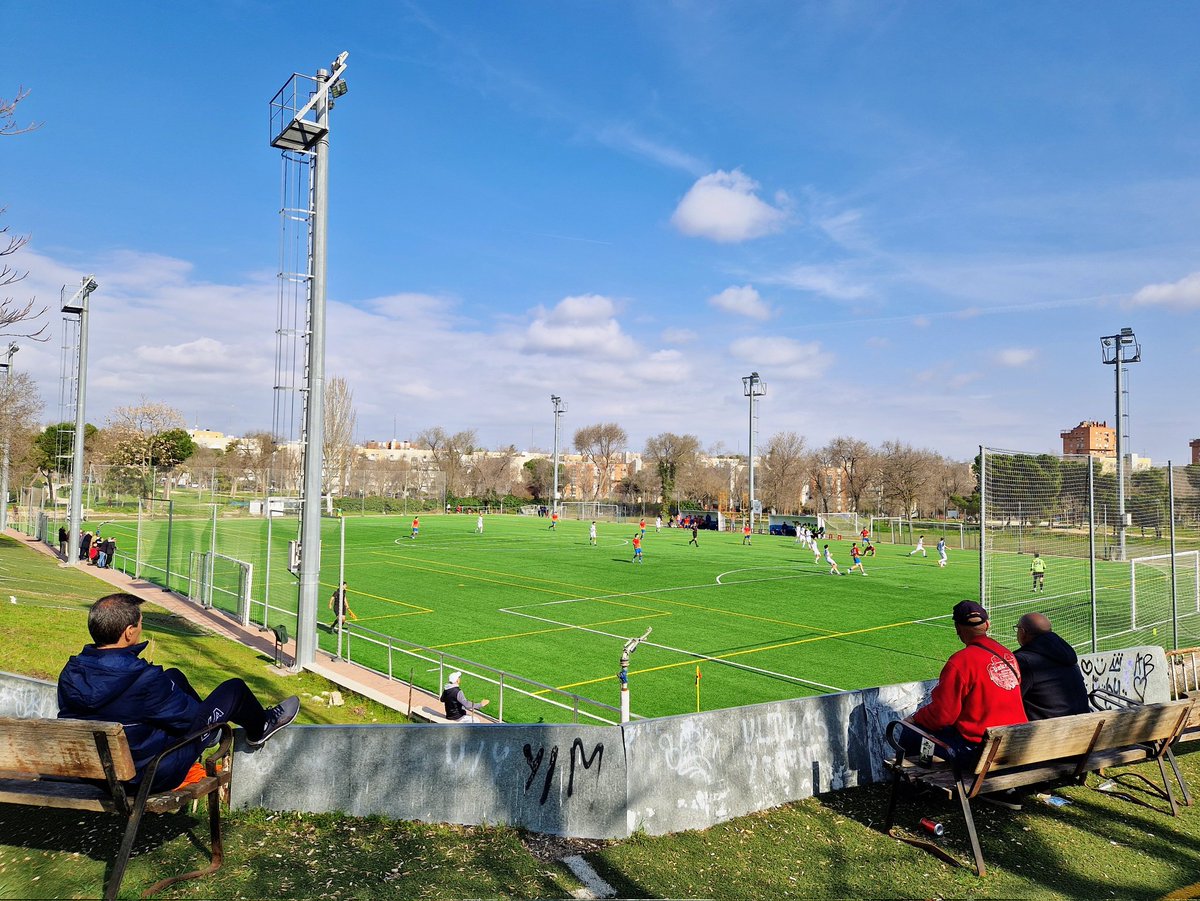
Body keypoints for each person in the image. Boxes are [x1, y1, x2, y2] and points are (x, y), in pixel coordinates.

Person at [57, 593, 299, 792]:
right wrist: (204, 720)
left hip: (95, 772)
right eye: (140, 624)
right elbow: (190, 718)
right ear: (129, 632)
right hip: (147, 774)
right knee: (234, 690)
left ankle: (211, 734)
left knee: (174, 676)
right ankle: (261, 727)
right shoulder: (145, 680)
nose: (141, 630)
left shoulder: (71, 672)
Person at [900, 600, 1026, 768]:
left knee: (913, 732)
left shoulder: (960, 661)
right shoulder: (1007, 654)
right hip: (1017, 742)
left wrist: (915, 719)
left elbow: (942, 715)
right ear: (987, 624)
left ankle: (918, 778)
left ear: (958, 629)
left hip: (979, 751)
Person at [1013, 612, 1090, 720]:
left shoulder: (1024, 661)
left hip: (1047, 733)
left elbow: (1009, 700)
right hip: (1083, 727)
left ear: (1023, 632)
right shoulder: (1067, 654)